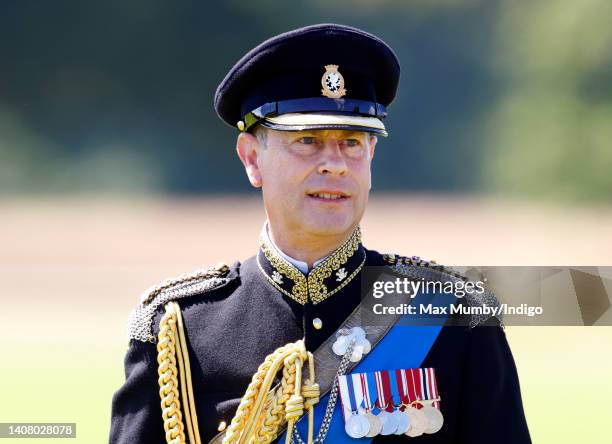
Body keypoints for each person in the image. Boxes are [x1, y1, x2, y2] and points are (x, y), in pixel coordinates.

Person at [109, 23, 531, 444]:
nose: (335, 163)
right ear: (252, 158)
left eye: (352, 142)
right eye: (307, 140)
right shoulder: (180, 329)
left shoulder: (452, 316)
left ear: (371, 155)